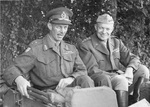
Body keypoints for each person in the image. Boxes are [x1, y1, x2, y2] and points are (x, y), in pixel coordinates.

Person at [2, 7, 94, 102]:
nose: (62, 31)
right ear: (50, 26)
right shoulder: (36, 48)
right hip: (48, 94)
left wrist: (71, 78)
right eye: (58, 27)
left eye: (65, 27)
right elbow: (11, 69)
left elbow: (82, 70)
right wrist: (19, 79)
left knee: (86, 80)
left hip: (69, 88)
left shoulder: (71, 49)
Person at [77, 13, 149, 107]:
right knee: (121, 80)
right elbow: (92, 70)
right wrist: (120, 75)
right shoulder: (86, 45)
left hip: (117, 77)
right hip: (101, 79)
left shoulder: (116, 42)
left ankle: (134, 101)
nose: (104, 32)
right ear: (95, 27)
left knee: (143, 70)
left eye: (107, 29)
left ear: (112, 29)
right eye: (101, 28)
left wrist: (130, 69)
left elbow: (133, 58)